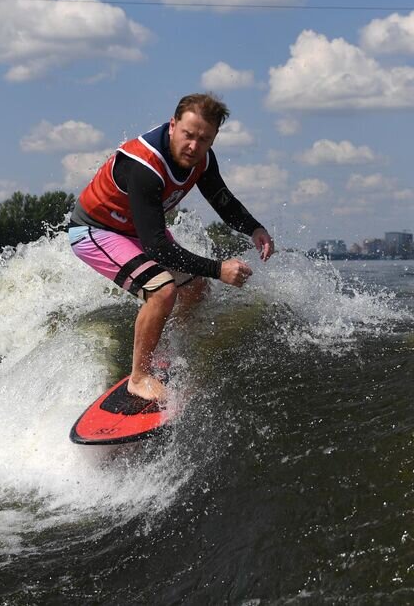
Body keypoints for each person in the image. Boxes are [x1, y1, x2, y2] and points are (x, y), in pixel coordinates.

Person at [67, 93, 274, 402]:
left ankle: (161, 354)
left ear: (213, 139)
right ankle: (138, 377)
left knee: (195, 288)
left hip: (136, 230)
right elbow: (157, 247)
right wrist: (219, 269)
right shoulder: (145, 166)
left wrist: (254, 228)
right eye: (188, 135)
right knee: (163, 290)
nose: (193, 146)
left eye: (204, 139)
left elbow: (222, 199)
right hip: (97, 231)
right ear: (173, 125)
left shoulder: (201, 159)